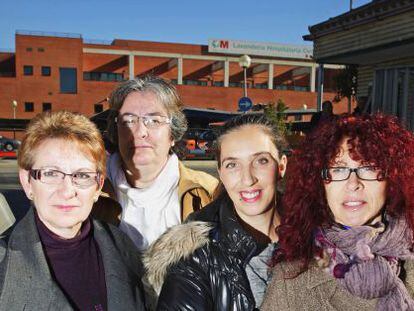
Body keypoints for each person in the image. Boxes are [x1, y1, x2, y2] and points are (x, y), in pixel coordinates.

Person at [262, 114, 414, 310]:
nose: (353, 184)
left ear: (392, 177)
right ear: (320, 183)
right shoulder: (290, 280)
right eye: (338, 170)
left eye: (368, 168)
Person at [0, 111, 146, 310]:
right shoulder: (4, 265)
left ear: (98, 186)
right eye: (51, 173)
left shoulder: (123, 246)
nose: (68, 191)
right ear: (27, 182)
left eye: (82, 175)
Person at [144, 114, 288, 310]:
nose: (247, 179)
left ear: (281, 166)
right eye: (232, 165)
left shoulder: (321, 238)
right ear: (220, 173)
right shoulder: (193, 258)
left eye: (261, 161)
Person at [92, 76, 218, 251]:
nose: (140, 132)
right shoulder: (88, 190)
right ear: (116, 130)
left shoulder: (210, 192)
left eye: (154, 121)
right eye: (129, 121)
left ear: (172, 134)